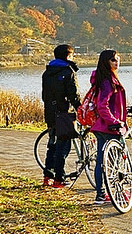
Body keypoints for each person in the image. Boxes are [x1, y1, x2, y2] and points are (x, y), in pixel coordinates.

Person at [89, 49, 127, 204]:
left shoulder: (101, 78)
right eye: (113, 60)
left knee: (102, 162)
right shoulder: (108, 81)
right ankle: (117, 193)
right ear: (106, 62)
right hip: (109, 127)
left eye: (118, 59)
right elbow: (102, 105)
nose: (116, 63)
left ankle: (101, 194)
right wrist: (114, 121)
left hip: (100, 126)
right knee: (115, 163)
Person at [41, 44, 81, 188]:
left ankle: (48, 176)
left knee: (52, 145)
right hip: (64, 114)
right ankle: (59, 178)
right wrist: (80, 108)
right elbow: (73, 95)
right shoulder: (68, 71)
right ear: (68, 56)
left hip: (50, 113)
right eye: (72, 55)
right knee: (63, 147)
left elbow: (44, 95)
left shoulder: (47, 72)